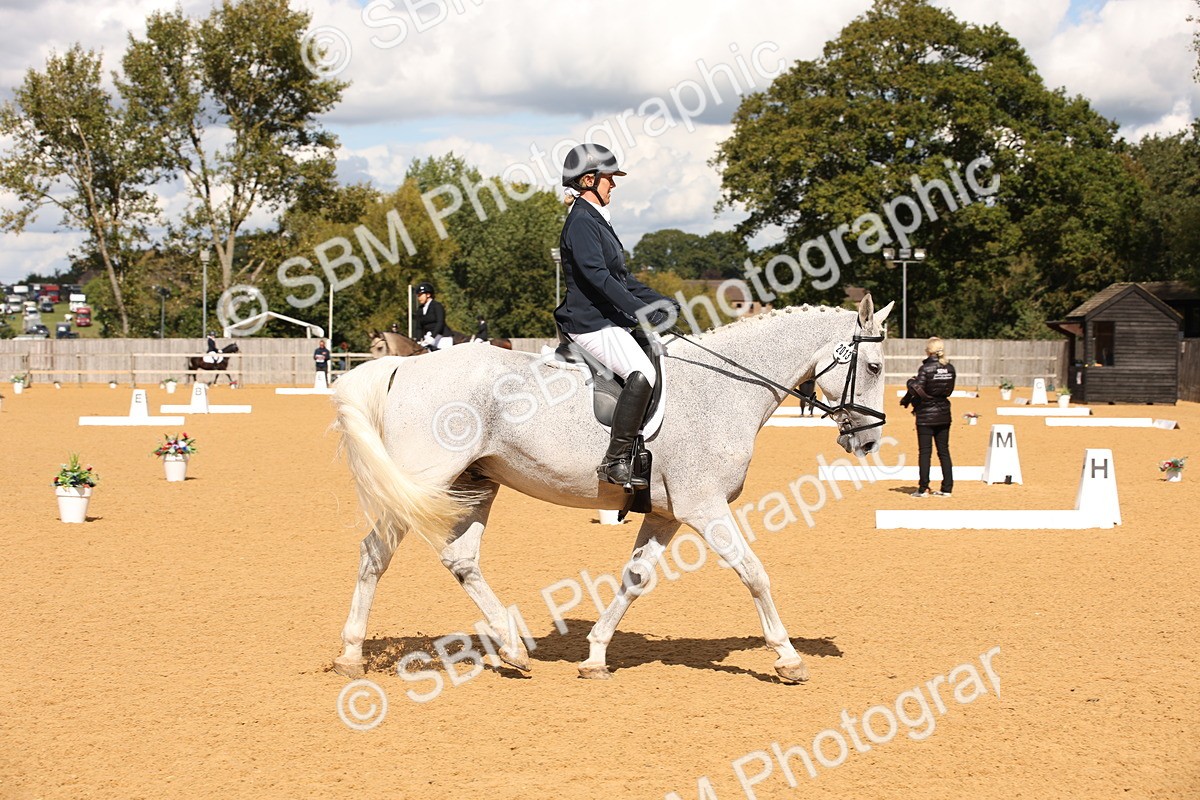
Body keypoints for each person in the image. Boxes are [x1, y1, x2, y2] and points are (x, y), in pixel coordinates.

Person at [554, 142, 677, 488]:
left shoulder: (595, 219)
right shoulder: (581, 221)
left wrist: (660, 302)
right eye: (610, 178)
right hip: (589, 322)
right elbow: (598, 277)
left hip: (606, 319)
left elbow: (622, 278)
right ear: (589, 180)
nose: (614, 184)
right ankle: (616, 459)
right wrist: (640, 312)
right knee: (643, 371)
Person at [901, 336, 957, 498]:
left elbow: (917, 388)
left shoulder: (925, 369)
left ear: (929, 351)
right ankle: (947, 488)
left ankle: (923, 488)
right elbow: (949, 391)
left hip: (926, 414)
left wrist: (910, 384)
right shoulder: (950, 368)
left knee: (925, 452)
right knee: (944, 452)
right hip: (944, 412)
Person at [414, 282, 453, 350]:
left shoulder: (437, 306)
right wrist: (418, 340)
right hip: (427, 338)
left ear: (428, 295)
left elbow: (440, 322)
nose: (419, 298)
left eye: (420, 295)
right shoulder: (420, 310)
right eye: (418, 295)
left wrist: (432, 336)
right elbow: (419, 327)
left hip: (442, 337)